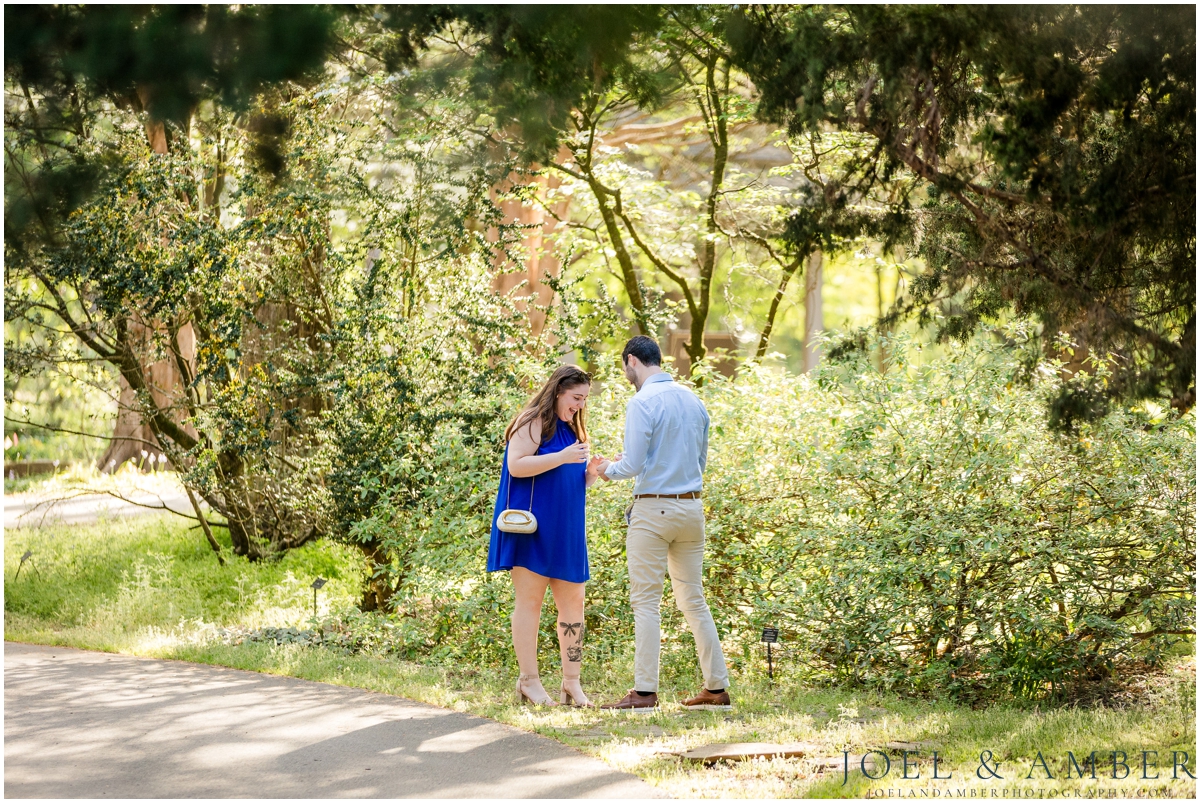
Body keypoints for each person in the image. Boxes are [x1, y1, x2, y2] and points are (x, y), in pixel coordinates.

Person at [593, 336, 731, 712]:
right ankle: (716, 688)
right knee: (693, 599)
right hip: (692, 508)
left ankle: (644, 692)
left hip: (654, 511)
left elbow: (633, 465)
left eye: (625, 368)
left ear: (633, 361)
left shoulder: (641, 402)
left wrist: (607, 469)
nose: (626, 375)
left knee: (646, 603)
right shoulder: (693, 400)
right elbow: (700, 461)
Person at [488, 365, 603, 707]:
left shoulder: (573, 429)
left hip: (567, 530)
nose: (580, 405)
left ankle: (572, 682)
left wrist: (592, 473)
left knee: (574, 607)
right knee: (531, 603)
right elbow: (516, 466)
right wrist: (561, 457)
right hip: (533, 528)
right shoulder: (532, 421)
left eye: (584, 399)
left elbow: (571, 480)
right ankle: (529, 681)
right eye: (575, 397)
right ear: (557, 391)